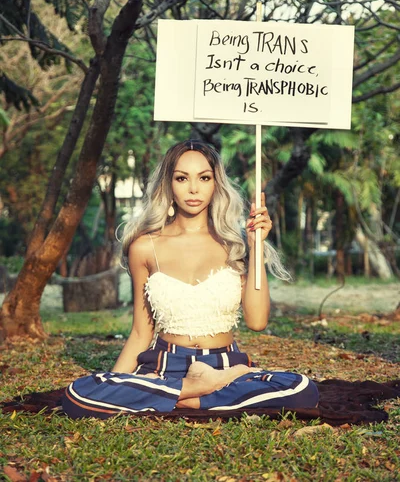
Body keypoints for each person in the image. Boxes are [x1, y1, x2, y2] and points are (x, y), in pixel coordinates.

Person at [63, 140, 318, 418]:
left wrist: (256, 247)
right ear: (169, 185)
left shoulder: (237, 244)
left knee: (302, 389)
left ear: (215, 184)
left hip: (227, 366)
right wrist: (114, 384)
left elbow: (257, 322)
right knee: (78, 394)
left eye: (204, 178)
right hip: (164, 365)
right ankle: (197, 391)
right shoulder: (145, 247)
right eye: (182, 178)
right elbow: (141, 332)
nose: (193, 189)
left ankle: (187, 398)